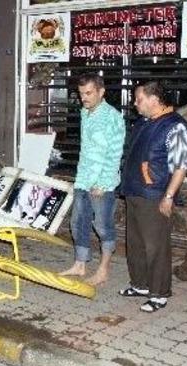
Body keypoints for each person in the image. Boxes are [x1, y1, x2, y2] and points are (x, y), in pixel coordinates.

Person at [119, 81, 187, 313]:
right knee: (136, 244)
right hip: (135, 191)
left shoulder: (175, 127)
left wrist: (168, 196)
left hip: (155, 194)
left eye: (138, 99)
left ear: (154, 99)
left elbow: (181, 166)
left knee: (156, 246)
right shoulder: (145, 123)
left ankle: (159, 293)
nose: (135, 103)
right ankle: (140, 284)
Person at [59, 73, 125, 286]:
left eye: (88, 93)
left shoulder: (112, 117)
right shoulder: (85, 113)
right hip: (84, 179)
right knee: (78, 222)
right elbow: (87, 150)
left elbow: (114, 153)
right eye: (81, 94)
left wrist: (103, 183)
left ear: (101, 92)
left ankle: (103, 269)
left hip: (101, 184)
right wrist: (81, 180)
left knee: (103, 225)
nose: (84, 98)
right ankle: (80, 265)